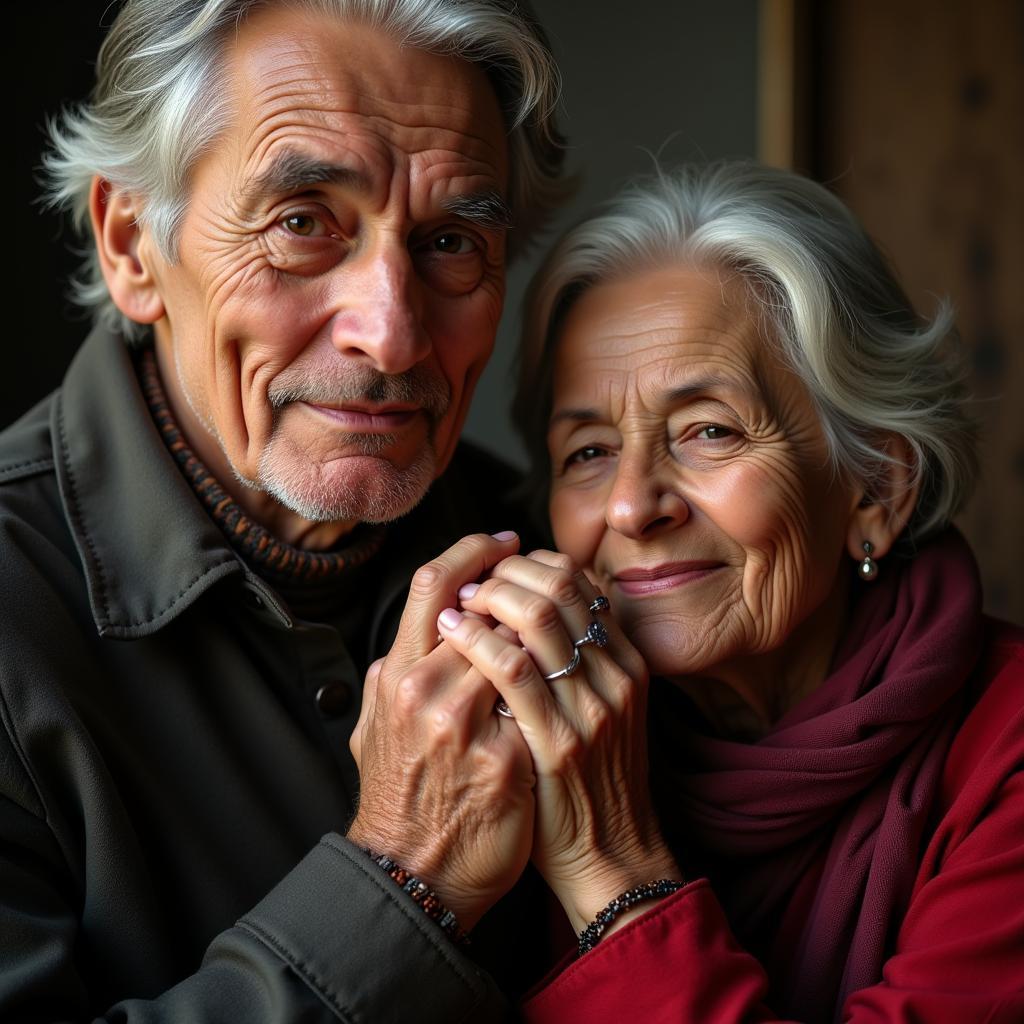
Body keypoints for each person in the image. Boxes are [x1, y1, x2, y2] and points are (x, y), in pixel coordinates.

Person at [0, 0, 569, 1018]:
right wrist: (402, 882)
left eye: (448, 241)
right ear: (131, 242)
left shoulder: (550, 541)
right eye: (303, 223)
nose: (392, 336)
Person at [398, 162, 1024, 1021]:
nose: (629, 505)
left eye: (708, 431)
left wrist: (610, 867)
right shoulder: (504, 737)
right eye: (587, 452)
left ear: (876, 486)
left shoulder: (1007, 752)